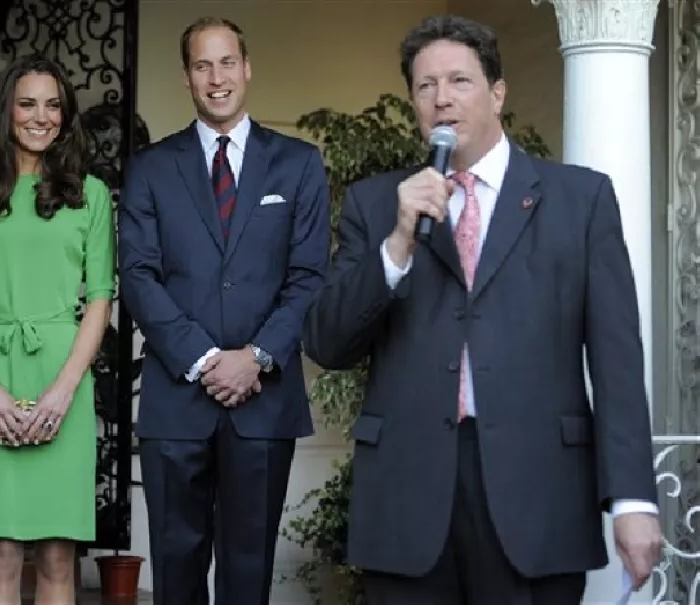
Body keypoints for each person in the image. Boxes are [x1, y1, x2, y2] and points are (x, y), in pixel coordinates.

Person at [302, 15, 662, 605]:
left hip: (538, 492)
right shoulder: (377, 205)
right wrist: (396, 246)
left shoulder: (581, 199)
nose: (441, 98)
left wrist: (633, 499)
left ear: (497, 93)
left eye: (459, 81)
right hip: (408, 499)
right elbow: (327, 342)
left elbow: (617, 358)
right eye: (425, 86)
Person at [118, 16, 330, 605]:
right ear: (187, 76)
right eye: (203, 66)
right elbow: (137, 275)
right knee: (176, 573)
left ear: (247, 67)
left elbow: (310, 276)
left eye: (227, 62)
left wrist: (256, 358)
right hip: (175, 401)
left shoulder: (298, 164)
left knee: (247, 575)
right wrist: (206, 358)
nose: (217, 78)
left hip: (264, 405)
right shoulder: (151, 168)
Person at [0, 53, 115, 604]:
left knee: (60, 555)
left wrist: (63, 392)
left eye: (53, 105)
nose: (41, 117)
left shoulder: (89, 197)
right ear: (5, 112)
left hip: (65, 376)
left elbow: (100, 298)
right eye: (27, 104)